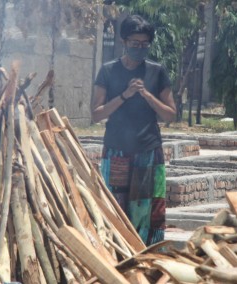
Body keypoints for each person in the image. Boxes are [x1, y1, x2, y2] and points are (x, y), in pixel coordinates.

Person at [91, 15, 176, 245]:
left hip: (148, 151)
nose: (139, 48)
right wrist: (124, 96)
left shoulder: (157, 72)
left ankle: (149, 262)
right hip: (117, 151)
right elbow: (96, 113)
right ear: (124, 42)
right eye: (134, 43)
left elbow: (170, 114)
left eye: (144, 44)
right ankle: (116, 257)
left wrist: (147, 95)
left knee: (149, 214)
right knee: (115, 208)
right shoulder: (108, 71)